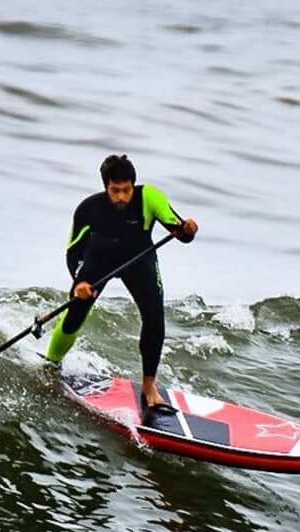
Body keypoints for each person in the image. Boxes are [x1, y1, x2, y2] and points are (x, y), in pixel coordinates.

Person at [45, 153, 198, 416]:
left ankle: (149, 387)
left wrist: (187, 229)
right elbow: (73, 251)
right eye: (115, 191)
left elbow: (178, 230)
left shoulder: (149, 197)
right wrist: (80, 281)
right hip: (98, 260)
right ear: (106, 187)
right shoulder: (89, 208)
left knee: (154, 317)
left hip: (139, 262)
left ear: (133, 186)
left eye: (126, 190)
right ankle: (50, 366)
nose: (121, 197)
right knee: (74, 315)